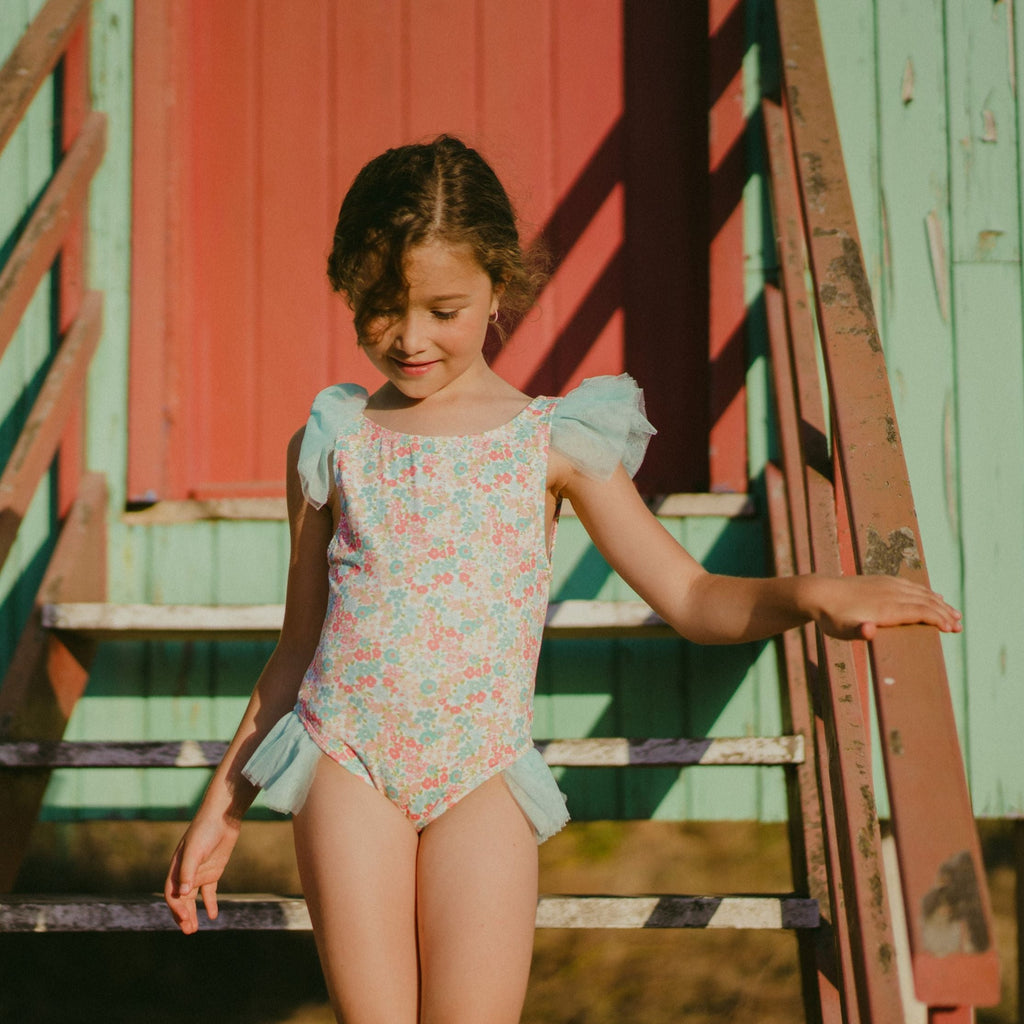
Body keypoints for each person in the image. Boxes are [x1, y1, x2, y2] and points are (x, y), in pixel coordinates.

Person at [164, 135, 961, 1024]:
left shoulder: (553, 442)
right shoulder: (335, 438)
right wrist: (222, 807)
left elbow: (694, 597)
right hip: (347, 758)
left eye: (443, 308)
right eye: (383, 305)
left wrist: (814, 594)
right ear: (349, 287)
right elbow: (296, 648)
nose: (411, 335)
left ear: (498, 287)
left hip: (482, 772)